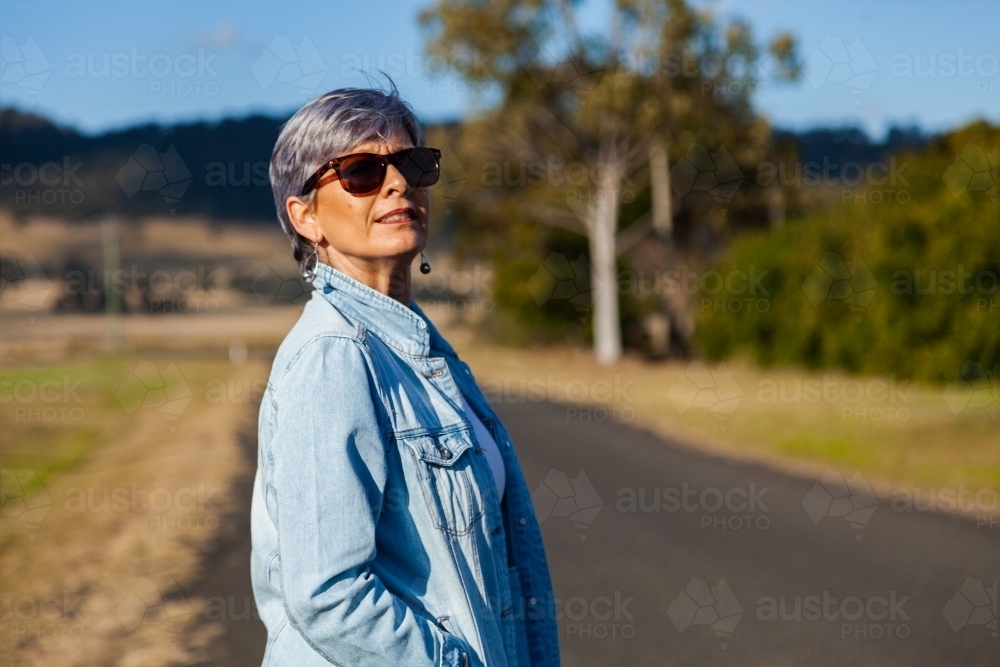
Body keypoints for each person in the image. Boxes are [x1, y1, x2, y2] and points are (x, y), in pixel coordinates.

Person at [249, 83, 561, 667]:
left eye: (413, 164)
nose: (399, 184)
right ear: (305, 216)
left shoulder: (422, 351)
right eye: (362, 172)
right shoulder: (335, 355)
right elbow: (327, 595)